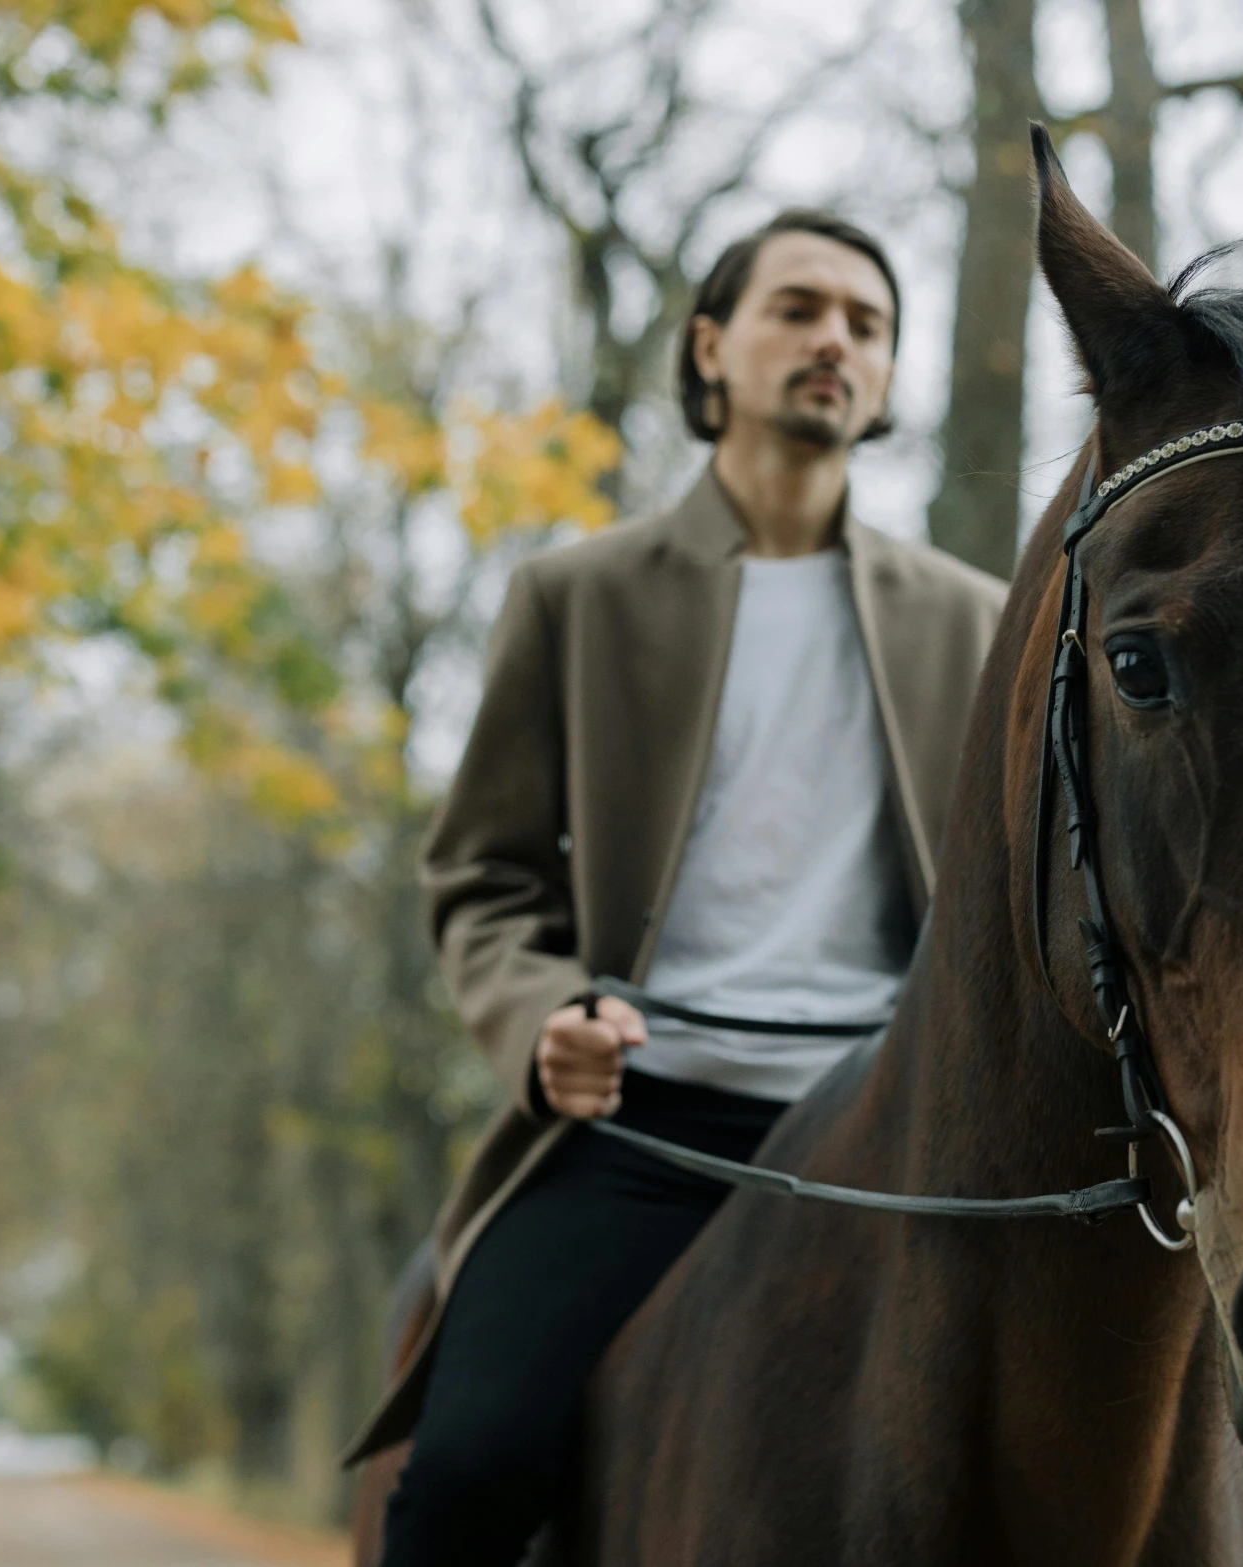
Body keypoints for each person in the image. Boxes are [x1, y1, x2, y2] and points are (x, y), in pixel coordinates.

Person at [350, 209, 1007, 1564]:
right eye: (800, 307)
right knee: (465, 1472)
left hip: (890, 1144)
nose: (835, 339)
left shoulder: (973, 620)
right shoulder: (576, 597)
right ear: (711, 348)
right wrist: (540, 1020)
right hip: (642, 1132)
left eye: (867, 324)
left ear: (885, 380)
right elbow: (481, 874)